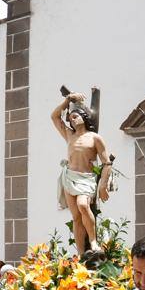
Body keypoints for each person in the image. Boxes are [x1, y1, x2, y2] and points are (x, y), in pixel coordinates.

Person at [51, 91, 113, 256]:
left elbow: (107, 162)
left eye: (76, 115)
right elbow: (55, 116)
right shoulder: (69, 135)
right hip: (69, 177)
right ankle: (80, 254)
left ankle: (93, 241)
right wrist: (68, 100)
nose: (72, 118)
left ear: (84, 117)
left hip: (86, 179)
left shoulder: (94, 138)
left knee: (83, 205)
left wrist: (103, 185)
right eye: (70, 116)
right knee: (76, 218)